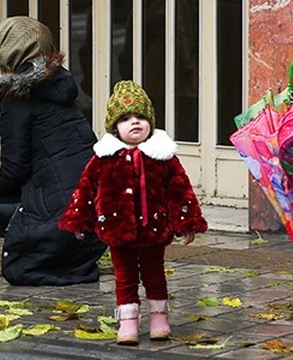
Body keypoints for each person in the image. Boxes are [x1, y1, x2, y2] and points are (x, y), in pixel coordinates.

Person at [0, 16, 106, 286]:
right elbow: (14, 139)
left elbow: (15, 167)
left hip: (62, 211)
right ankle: (66, 252)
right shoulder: (58, 84)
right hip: (93, 214)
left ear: (10, 50)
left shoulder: (17, 94)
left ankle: (47, 250)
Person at [59, 81, 207, 345]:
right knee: (124, 276)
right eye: (125, 119)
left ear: (150, 121)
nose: (134, 123)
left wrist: (186, 222)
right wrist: (78, 219)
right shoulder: (104, 158)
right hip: (118, 229)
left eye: (140, 117)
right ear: (115, 127)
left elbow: (179, 189)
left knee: (154, 274)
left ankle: (159, 318)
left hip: (154, 229)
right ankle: (128, 322)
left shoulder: (162, 156)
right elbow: (86, 189)